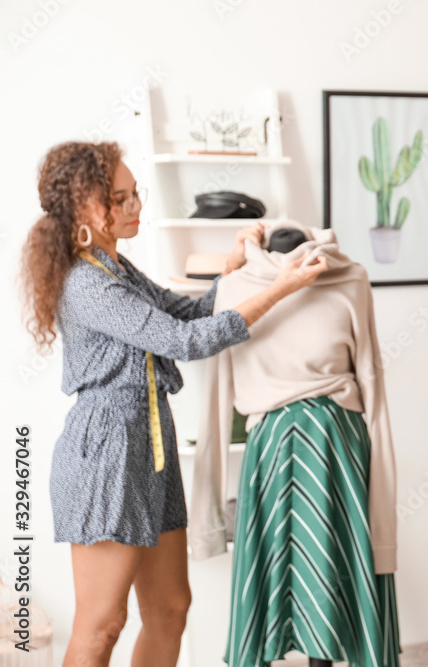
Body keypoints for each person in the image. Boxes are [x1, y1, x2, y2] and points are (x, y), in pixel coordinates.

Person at [18, 141, 326, 667]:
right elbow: (186, 342)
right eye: (122, 197)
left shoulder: (117, 267)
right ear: (89, 206)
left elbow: (189, 314)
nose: (137, 205)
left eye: (136, 193)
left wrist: (231, 269)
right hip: (106, 453)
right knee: (102, 623)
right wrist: (281, 288)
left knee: (170, 610)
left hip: (149, 449)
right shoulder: (87, 283)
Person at [191, 221, 400, 667]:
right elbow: (216, 398)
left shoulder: (349, 276)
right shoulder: (234, 287)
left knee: (327, 571)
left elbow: (373, 383)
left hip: (336, 451)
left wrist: (384, 527)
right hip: (271, 453)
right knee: (274, 575)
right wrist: (206, 522)